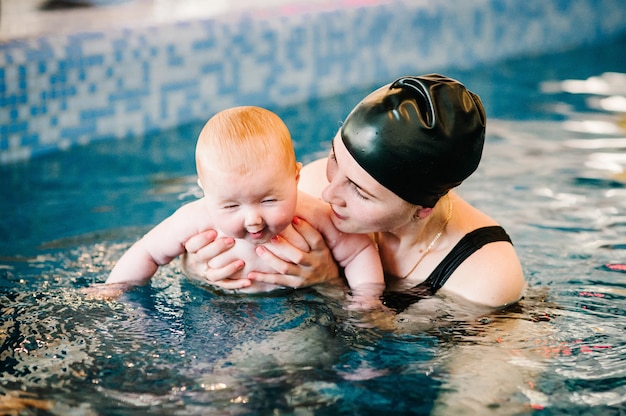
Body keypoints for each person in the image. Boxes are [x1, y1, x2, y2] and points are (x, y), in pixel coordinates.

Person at [181, 74, 526, 309]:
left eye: (360, 191)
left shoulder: (484, 276)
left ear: (423, 208)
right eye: (335, 158)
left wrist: (330, 284)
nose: (329, 192)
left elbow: (395, 353)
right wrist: (200, 267)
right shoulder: (303, 188)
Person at [106, 106, 384, 305]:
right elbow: (147, 252)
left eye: (269, 200)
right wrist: (112, 291)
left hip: (296, 302)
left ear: (295, 178)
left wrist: (367, 298)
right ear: (205, 191)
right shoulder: (194, 219)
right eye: (230, 206)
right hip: (215, 304)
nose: (253, 219)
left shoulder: (312, 213)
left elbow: (358, 251)